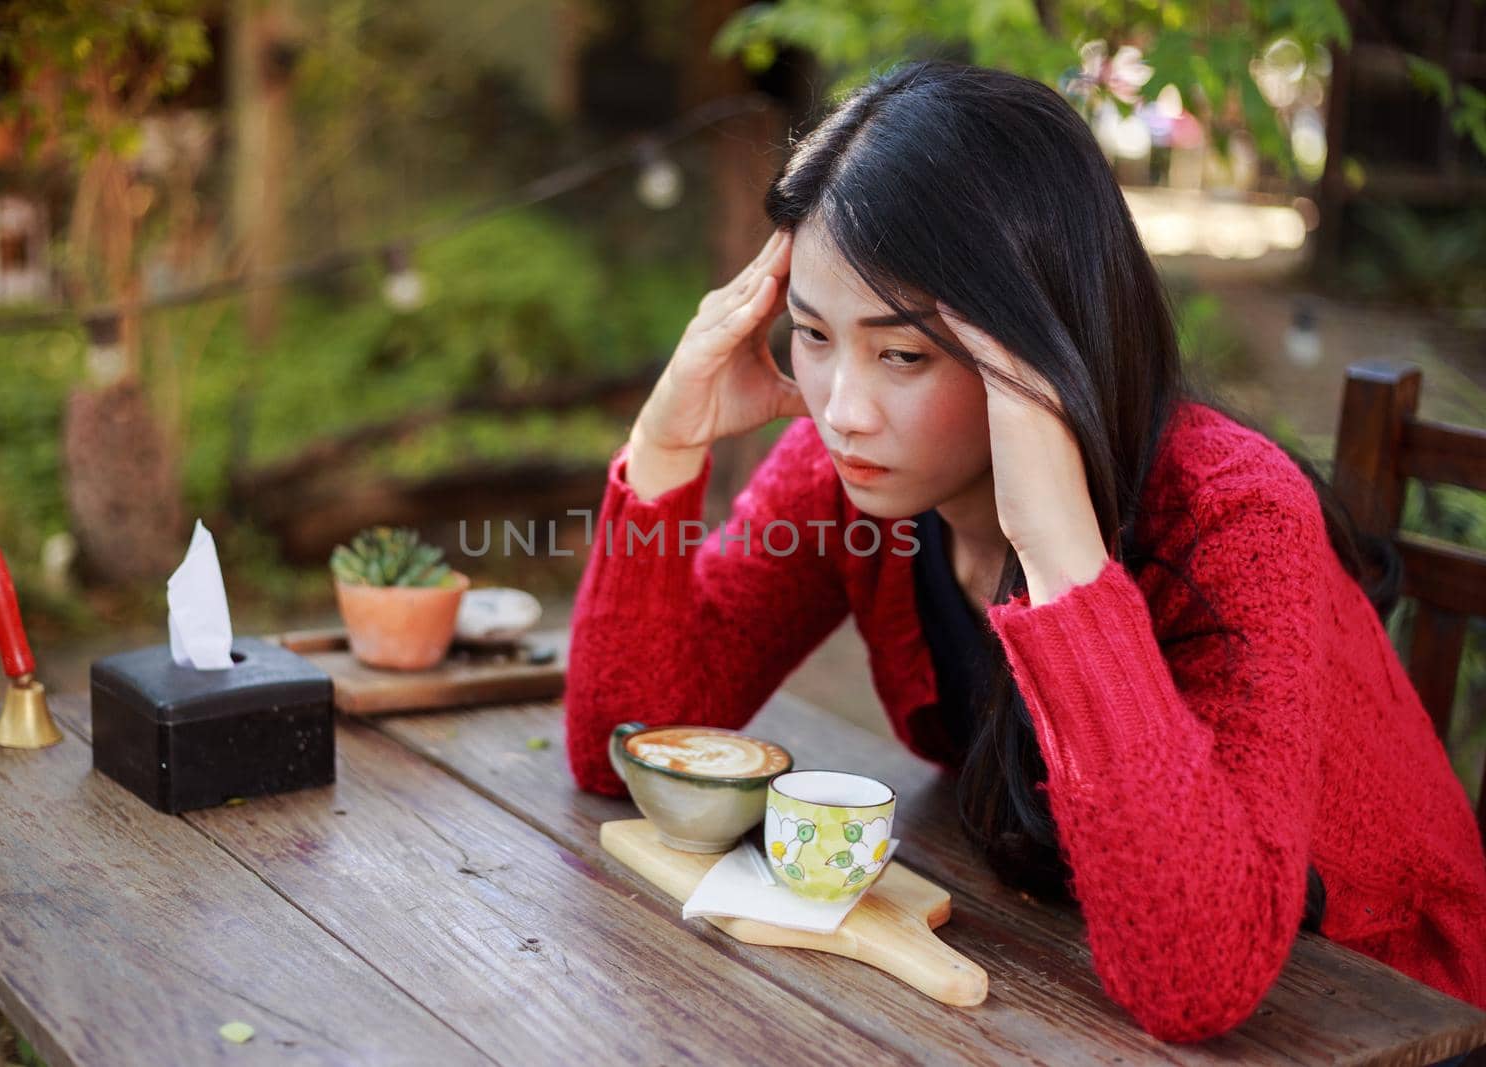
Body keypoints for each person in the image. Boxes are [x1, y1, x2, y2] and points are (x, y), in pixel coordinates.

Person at [561, 60, 1486, 1045]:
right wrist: (665, 445)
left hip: (1374, 1006)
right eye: (811, 335)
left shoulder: (1232, 512)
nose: (840, 408)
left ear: (1038, 344)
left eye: (903, 353)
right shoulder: (846, 471)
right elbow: (629, 745)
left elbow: (1196, 977)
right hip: (1048, 959)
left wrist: (1058, 556)